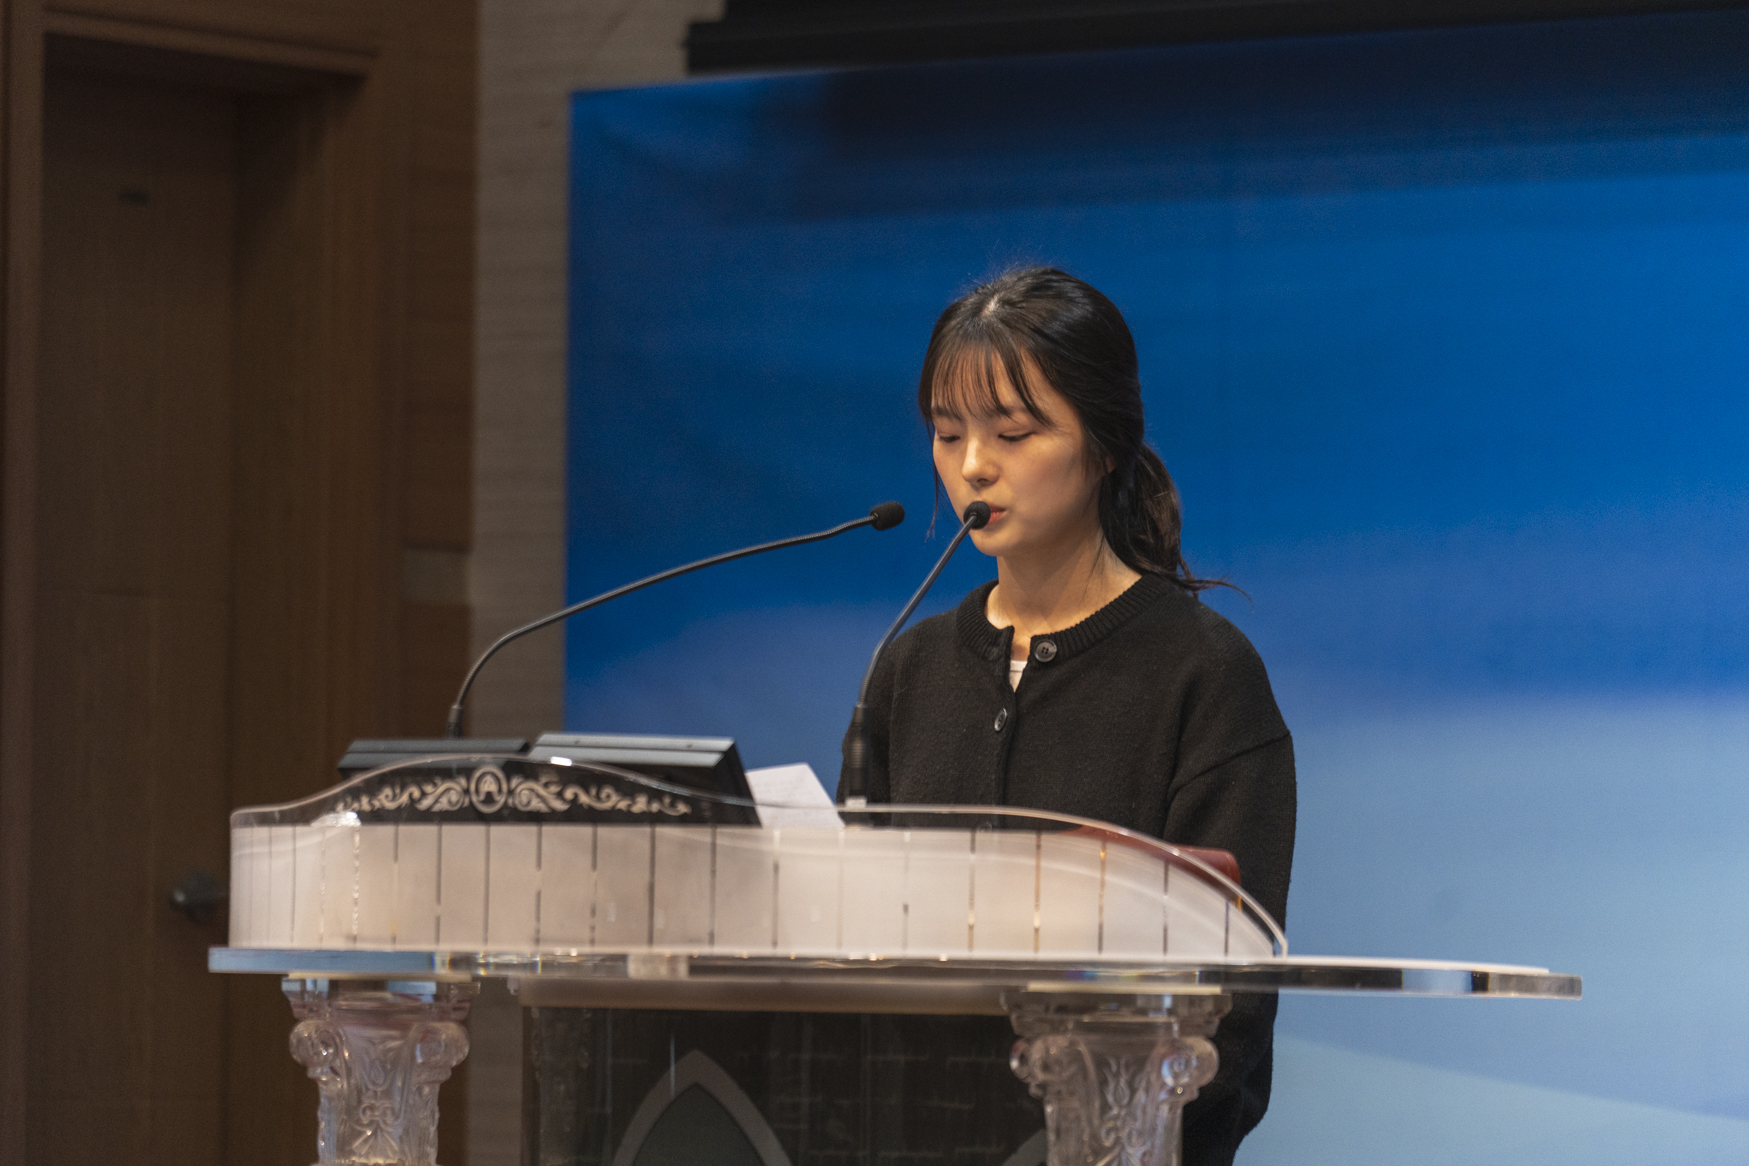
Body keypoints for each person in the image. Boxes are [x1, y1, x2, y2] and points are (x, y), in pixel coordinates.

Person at [842, 266, 1296, 1166]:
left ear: (1104, 444)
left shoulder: (1203, 672)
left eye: (1013, 432)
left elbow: (1232, 1004)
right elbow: (855, 944)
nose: (973, 464)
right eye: (947, 433)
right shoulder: (908, 668)